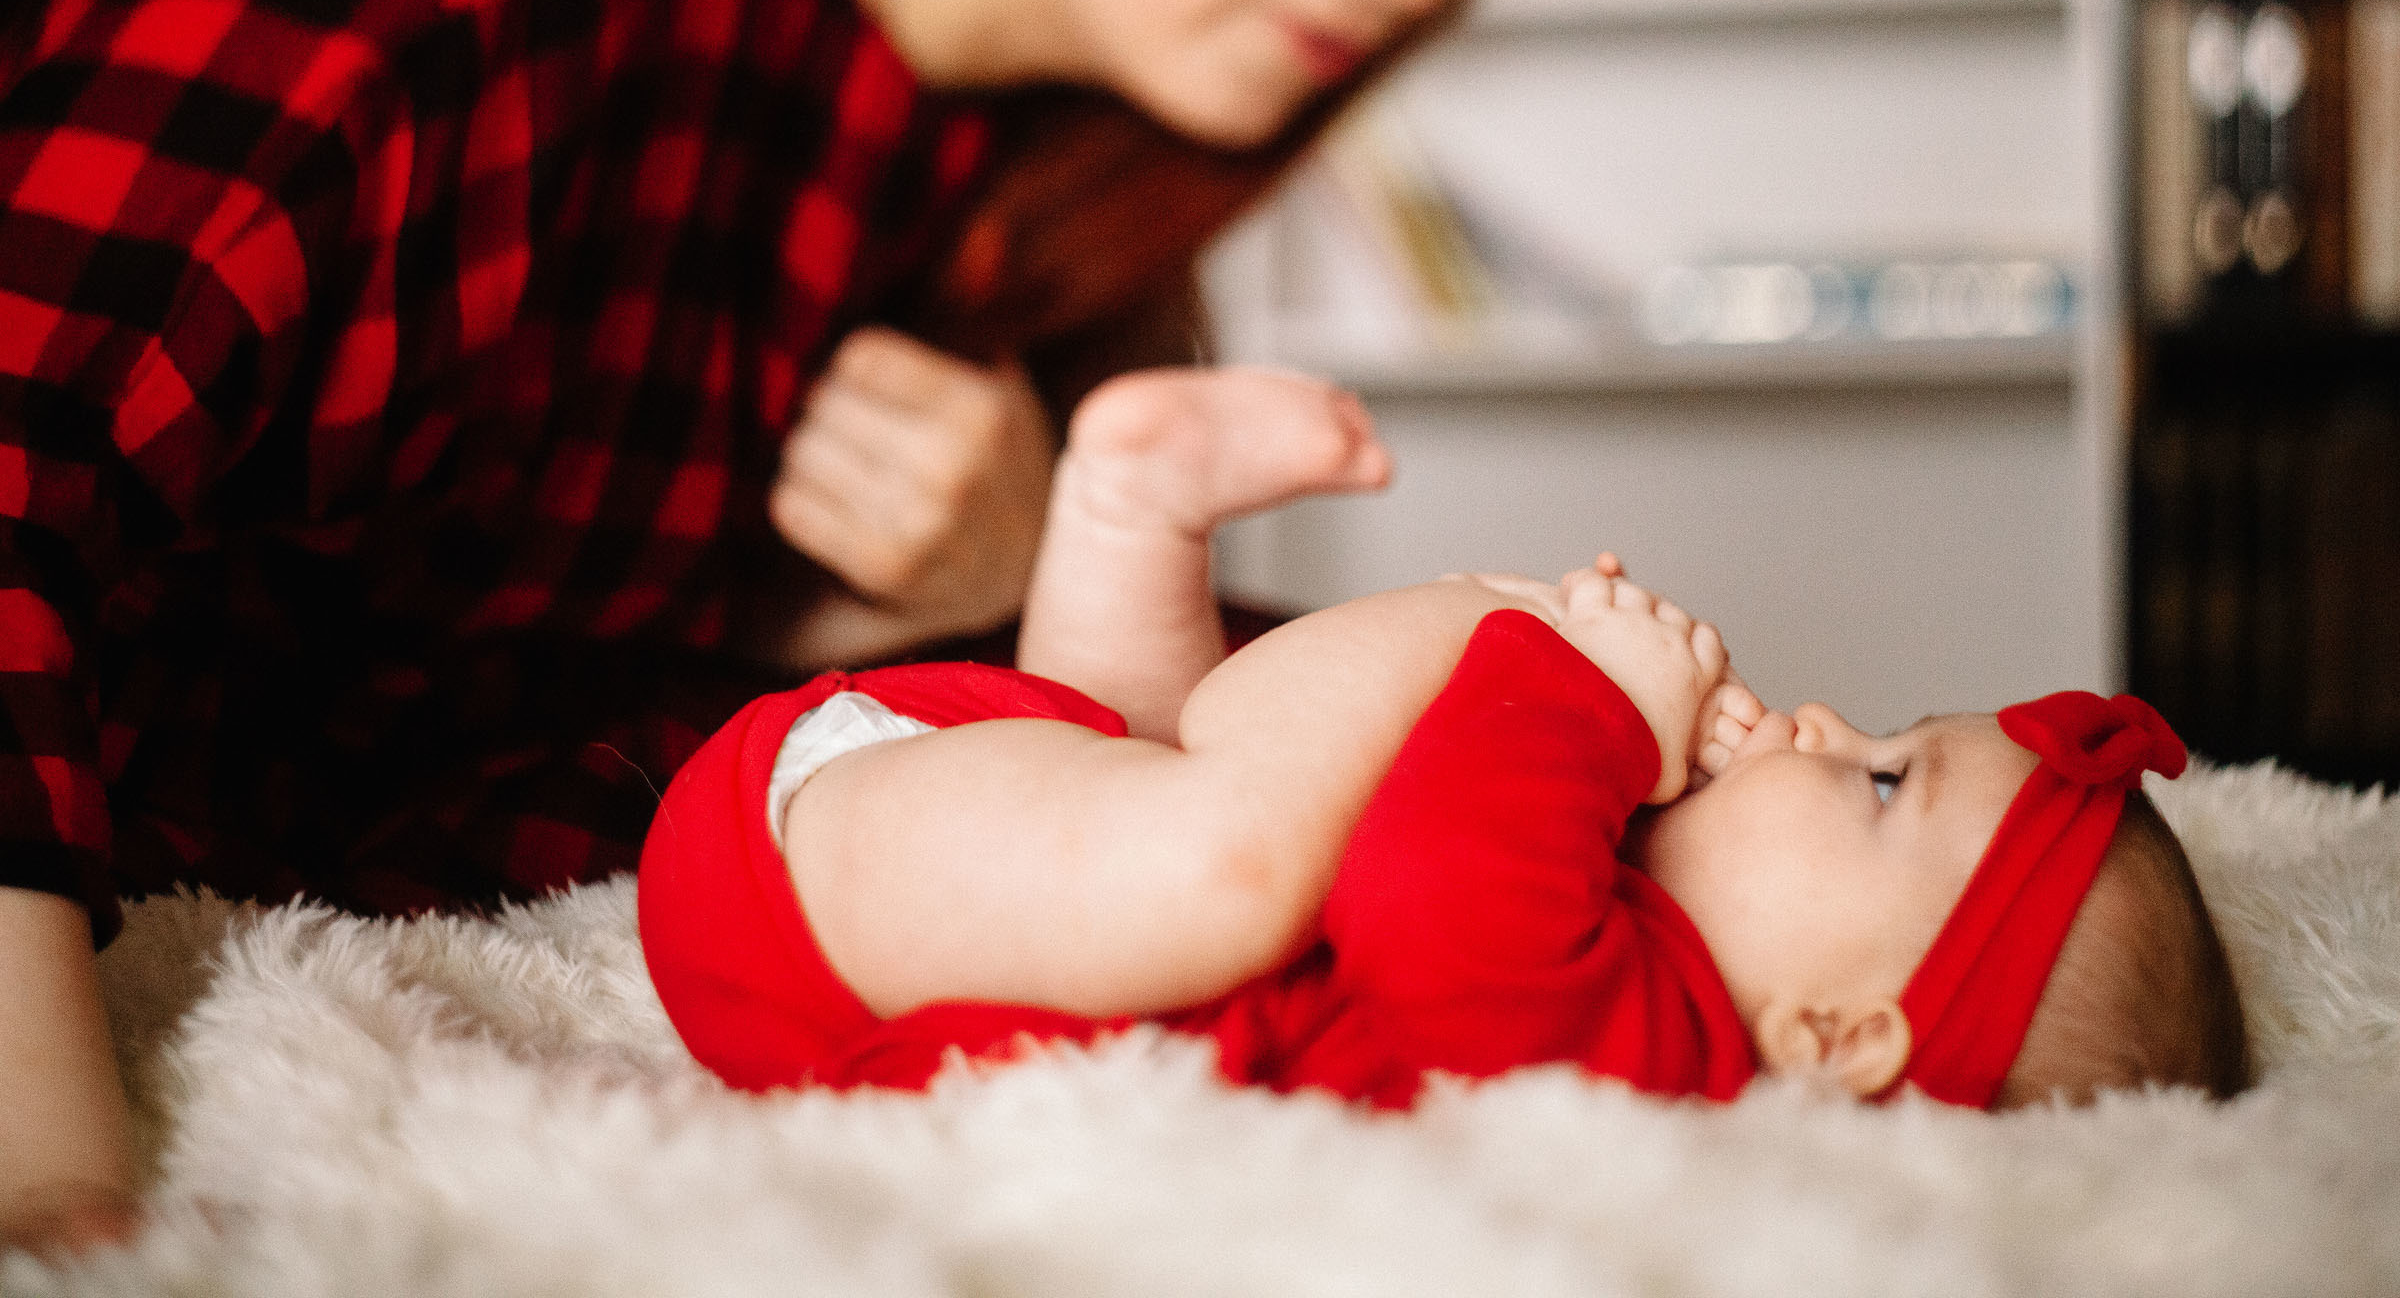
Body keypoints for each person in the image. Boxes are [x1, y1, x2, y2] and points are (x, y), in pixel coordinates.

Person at [0, 0, 1608, 1252]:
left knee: (1457, 732)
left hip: (439, 792)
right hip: (114, 814)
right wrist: (43, 1188)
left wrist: (1026, 571)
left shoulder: (1075, 92)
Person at [641, 366, 2252, 1111]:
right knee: (1218, 855)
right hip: (852, 854)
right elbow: (1282, 764)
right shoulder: (1621, 929)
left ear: (1842, 1036)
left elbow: (1425, 893)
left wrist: (1573, 687)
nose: (1831, 722)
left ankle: (1135, 526)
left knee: (1203, 853)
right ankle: (1132, 517)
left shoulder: (1642, 1050)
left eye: (1887, 779)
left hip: (847, 915)